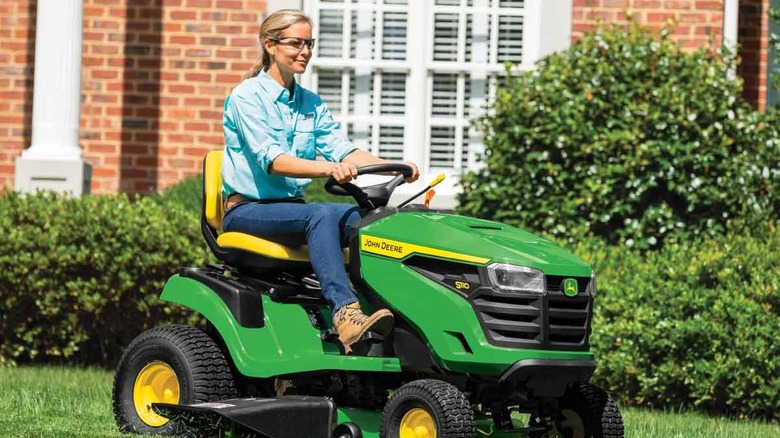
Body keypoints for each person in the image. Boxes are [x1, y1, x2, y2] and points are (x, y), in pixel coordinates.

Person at [220, 9, 419, 354]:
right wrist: (327, 168)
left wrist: (394, 168)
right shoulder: (246, 98)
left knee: (377, 223)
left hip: (292, 211)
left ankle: (402, 313)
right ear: (269, 45)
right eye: (296, 43)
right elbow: (274, 161)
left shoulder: (310, 104)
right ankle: (346, 315)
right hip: (248, 211)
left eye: (309, 44)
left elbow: (343, 150)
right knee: (322, 214)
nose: (305, 52)